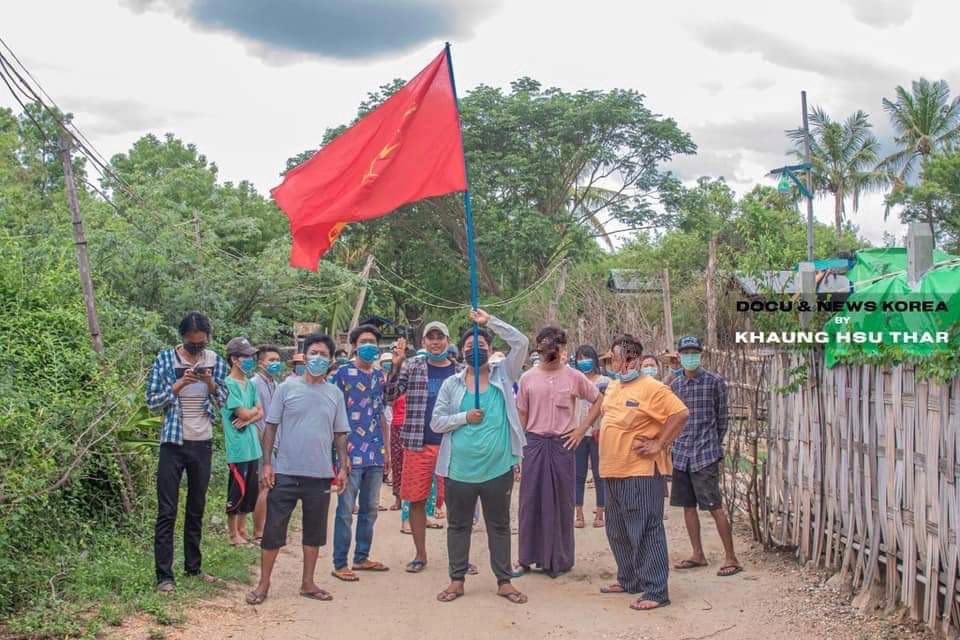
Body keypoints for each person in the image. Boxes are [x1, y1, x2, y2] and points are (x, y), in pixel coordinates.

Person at [572, 334, 689, 611]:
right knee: (617, 529)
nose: (612, 363)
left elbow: (681, 414)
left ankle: (656, 590)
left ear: (631, 360)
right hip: (612, 470)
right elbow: (602, 405)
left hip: (640, 472)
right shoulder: (613, 386)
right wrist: (587, 428)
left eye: (615, 358)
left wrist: (660, 443)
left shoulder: (653, 388)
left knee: (646, 530)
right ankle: (629, 579)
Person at [430, 309, 529, 605]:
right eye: (470, 347)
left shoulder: (504, 374)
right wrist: (464, 417)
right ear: (461, 352)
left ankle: (504, 581)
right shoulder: (452, 384)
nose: (476, 350)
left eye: (482, 346)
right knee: (458, 526)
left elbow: (522, 342)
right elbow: (437, 422)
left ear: (491, 350)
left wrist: (490, 323)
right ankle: (456, 580)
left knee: (499, 525)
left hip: (498, 468)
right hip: (459, 470)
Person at [246, 333, 349, 605]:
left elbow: (340, 433)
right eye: (313, 353)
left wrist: (342, 465)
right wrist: (267, 463)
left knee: (314, 531)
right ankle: (263, 584)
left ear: (330, 361)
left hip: (320, 474)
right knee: (273, 531)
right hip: (286, 472)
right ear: (304, 356)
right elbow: (270, 427)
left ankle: (308, 583)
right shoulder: (286, 388)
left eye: (323, 355)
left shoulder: (334, 393)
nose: (318, 358)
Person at [146, 311, 228, 592]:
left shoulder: (215, 360)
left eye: (201, 344)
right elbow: (152, 401)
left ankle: (193, 568)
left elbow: (224, 399)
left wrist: (210, 383)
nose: (196, 350)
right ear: (181, 339)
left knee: (196, 508)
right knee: (167, 510)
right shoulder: (166, 359)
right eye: (192, 345)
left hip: (202, 441)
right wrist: (178, 385)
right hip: (173, 442)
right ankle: (164, 576)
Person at [516, 326, 603, 577]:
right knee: (529, 502)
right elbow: (522, 413)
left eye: (557, 346)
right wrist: (519, 449)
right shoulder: (527, 378)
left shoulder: (574, 376)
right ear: (539, 347)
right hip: (534, 444)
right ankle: (525, 558)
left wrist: (582, 429)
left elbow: (598, 400)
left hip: (563, 445)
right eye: (546, 345)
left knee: (561, 503)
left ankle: (559, 560)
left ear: (563, 348)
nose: (551, 350)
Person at [385, 320, 462, 574]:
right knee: (416, 499)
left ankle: (459, 557)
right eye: (431, 337)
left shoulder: (460, 371)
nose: (436, 341)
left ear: (448, 340)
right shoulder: (413, 366)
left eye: (440, 337)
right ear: (424, 341)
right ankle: (420, 555)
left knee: (457, 501)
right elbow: (390, 395)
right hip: (419, 443)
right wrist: (395, 367)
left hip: (453, 444)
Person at [669, 336, 742, 577]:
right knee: (687, 506)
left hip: (705, 453)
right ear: (679, 356)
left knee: (714, 506)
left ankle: (731, 557)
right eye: (685, 352)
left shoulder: (714, 382)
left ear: (701, 354)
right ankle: (697, 553)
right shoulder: (675, 385)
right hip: (681, 453)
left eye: (694, 351)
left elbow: (722, 419)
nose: (690, 356)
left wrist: (713, 444)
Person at [330, 325, 391, 581]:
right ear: (354, 345)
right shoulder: (342, 374)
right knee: (345, 509)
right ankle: (340, 562)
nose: (369, 346)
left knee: (370, 508)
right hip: (349, 453)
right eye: (364, 341)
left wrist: (387, 450)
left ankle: (362, 557)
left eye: (373, 342)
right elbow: (332, 413)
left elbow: (382, 414)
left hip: (375, 452)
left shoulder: (380, 376)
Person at [221, 337, 264, 546]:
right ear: (234, 359)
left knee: (250, 491)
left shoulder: (250, 383)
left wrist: (252, 415)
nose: (250, 360)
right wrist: (251, 414)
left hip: (252, 447)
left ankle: (242, 528)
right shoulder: (228, 384)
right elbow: (243, 413)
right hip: (237, 448)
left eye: (251, 356)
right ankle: (232, 534)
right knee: (236, 489)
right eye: (246, 356)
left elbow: (258, 412)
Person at [572, 345, 610, 529]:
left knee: (599, 474)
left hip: (599, 433)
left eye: (587, 357)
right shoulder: (573, 380)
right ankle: (578, 513)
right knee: (577, 474)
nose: (584, 361)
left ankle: (600, 513)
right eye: (580, 357)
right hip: (577, 433)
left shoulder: (605, 381)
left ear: (594, 359)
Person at [252, 344, 283, 541]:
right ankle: (258, 531)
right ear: (260, 362)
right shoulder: (255, 383)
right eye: (271, 360)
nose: (275, 363)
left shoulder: (275, 384)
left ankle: (265, 528)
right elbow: (256, 416)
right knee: (264, 486)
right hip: (262, 441)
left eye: (277, 360)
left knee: (270, 487)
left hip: (276, 442)